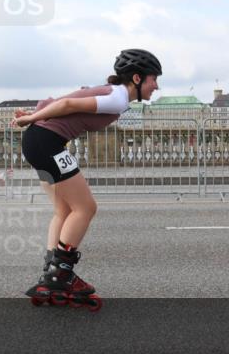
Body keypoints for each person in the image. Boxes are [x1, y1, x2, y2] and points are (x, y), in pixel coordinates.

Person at [11, 49, 162, 310]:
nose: (156, 86)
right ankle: (61, 273)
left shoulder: (109, 92)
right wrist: (31, 118)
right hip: (47, 142)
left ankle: (52, 270)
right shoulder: (117, 97)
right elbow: (68, 105)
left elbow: (64, 101)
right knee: (86, 207)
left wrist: (36, 115)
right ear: (137, 79)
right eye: (153, 79)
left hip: (40, 141)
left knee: (64, 210)